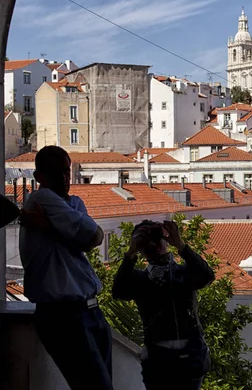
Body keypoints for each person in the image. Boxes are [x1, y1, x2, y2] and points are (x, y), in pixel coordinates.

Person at [19, 146, 112, 390]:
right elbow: (91, 235)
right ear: (39, 176)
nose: (63, 178)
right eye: (55, 172)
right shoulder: (42, 198)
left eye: (66, 172)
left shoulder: (72, 202)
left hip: (88, 311)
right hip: (64, 316)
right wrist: (72, 234)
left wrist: (49, 227)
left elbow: (96, 237)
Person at [112, 219, 215, 390]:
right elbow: (119, 291)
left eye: (157, 238)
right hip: (162, 360)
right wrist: (130, 254)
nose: (153, 244)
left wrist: (181, 245)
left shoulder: (182, 274)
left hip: (188, 358)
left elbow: (206, 276)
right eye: (147, 242)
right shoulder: (140, 280)